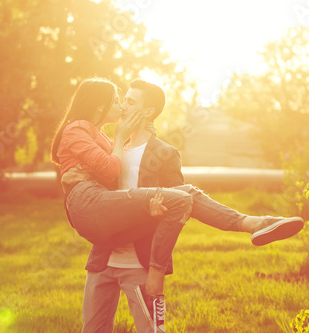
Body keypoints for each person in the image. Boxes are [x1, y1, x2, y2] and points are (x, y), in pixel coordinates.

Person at [51, 78, 304, 333]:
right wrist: (68, 177)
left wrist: (156, 267)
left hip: (139, 263)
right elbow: (88, 191)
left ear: (147, 111)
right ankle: (253, 222)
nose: (122, 106)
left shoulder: (164, 153)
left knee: (184, 197)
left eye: (129, 101)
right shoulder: (109, 146)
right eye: (121, 100)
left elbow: (177, 212)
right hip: (104, 257)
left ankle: (255, 223)